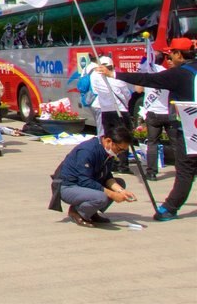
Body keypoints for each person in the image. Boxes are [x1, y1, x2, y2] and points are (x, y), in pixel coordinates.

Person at [97, 37, 196, 221]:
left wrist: (114, 74)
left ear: (178, 54)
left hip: (188, 132)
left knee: (185, 170)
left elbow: (147, 79)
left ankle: (170, 208)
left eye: (170, 54)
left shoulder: (178, 74)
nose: (168, 58)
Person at [54, 126, 137, 227]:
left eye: (123, 151)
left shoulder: (107, 152)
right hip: (68, 186)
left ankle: (90, 212)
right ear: (108, 141)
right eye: (119, 149)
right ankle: (77, 212)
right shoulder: (87, 150)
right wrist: (112, 194)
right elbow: (84, 180)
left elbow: (107, 176)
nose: (119, 153)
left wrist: (121, 191)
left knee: (119, 183)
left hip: (85, 183)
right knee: (101, 197)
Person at [138, 53, 172, 181]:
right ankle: (184, 170)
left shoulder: (149, 74)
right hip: (167, 112)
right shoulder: (167, 73)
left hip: (152, 113)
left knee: (152, 143)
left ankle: (151, 172)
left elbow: (138, 90)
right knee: (176, 143)